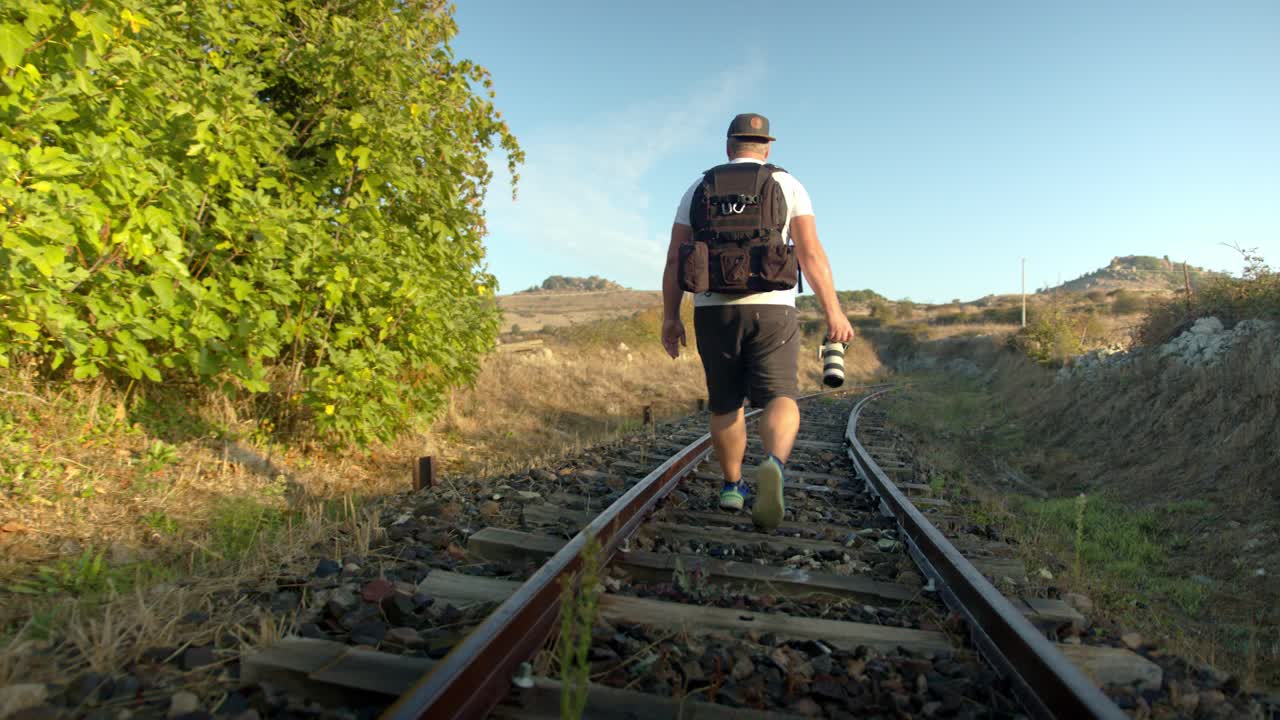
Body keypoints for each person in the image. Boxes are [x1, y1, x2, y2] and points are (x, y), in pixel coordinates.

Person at [661, 113, 854, 530]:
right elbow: (811, 253)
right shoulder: (787, 184)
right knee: (780, 396)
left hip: (713, 309)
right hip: (774, 307)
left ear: (729, 146)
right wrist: (833, 311)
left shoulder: (698, 187)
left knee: (725, 403)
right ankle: (774, 464)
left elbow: (676, 258)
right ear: (766, 146)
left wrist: (670, 317)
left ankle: (733, 486)